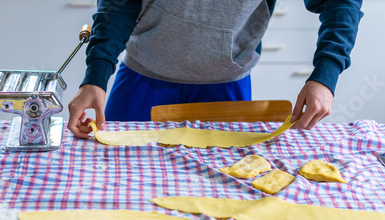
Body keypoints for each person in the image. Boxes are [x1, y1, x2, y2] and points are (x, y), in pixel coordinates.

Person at [68, 0, 363, 138]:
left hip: (225, 84)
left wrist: (326, 74)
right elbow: (120, 4)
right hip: (142, 77)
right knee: (117, 177)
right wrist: (96, 76)